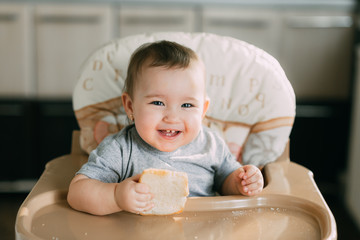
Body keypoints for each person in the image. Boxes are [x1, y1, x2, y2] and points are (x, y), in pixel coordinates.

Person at [67, 40, 264, 216]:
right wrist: (116, 197)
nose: (172, 117)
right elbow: (77, 192)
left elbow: (227, 180)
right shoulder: (121, 149)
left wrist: (241, 183)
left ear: (203, 110)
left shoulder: (211, 145)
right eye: (158, 103)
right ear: (130, 106)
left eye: (187, 105)